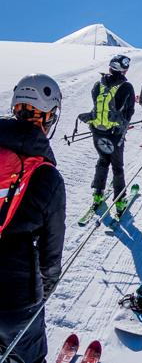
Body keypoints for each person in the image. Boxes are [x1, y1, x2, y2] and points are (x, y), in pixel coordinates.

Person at [0, 74, 66, 363]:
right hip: (17, 298)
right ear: (49, 117)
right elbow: (51, 255)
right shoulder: (47, 175)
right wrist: (42, 294)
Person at [79, 55, 135, 216]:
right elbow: (129, 112)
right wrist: (122, 122)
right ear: (124, 69)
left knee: (103, 161)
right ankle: (120, 200)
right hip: (114, 134)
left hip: (97, 132)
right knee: (117, 167)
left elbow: (96, 108)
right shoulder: (126, 87)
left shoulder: (99, 84)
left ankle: (97, 194)